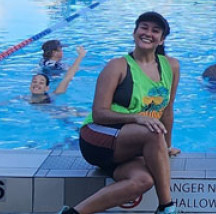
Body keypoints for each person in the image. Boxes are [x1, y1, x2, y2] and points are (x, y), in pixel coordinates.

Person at [62, 12, 181, 214]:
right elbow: (99, 113)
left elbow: (167, 111)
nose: (148, 33)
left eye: (155, 31)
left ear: (161, 39)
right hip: (97, 137)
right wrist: (137, 118)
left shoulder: (171, 66)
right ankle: (166, 208)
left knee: (143, 181)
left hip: (129, 144)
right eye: (144, 27)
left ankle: (71, 213)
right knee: (152, 132)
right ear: (135, 32)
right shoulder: (117, 66)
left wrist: (165, 148)